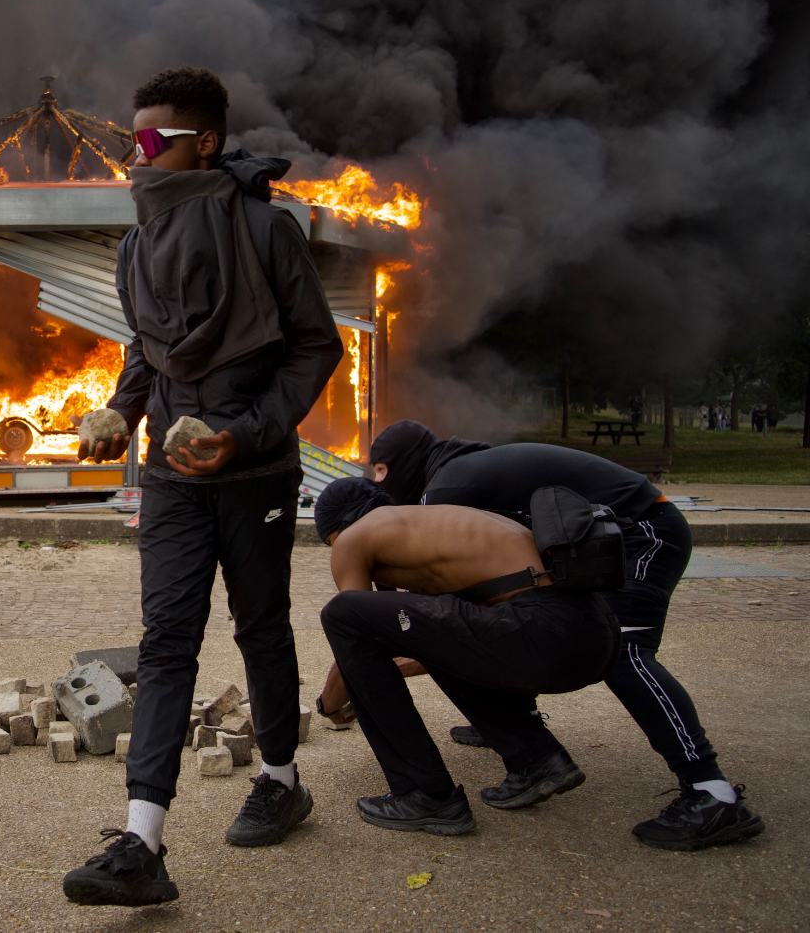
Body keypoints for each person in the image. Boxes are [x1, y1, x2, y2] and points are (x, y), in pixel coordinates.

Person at [62, 65, 344, 908]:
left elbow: (317, 347)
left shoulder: (267, 232)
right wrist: (119, 409)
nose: (135, 156)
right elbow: (146, 351)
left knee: (261, 627)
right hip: (171, 480)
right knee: (166, 642)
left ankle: (282, 780)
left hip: (254, 471)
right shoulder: (135, 245)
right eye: (130, 141)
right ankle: (141, 843)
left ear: (205, 144)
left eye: (151, 141)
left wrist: (245, 434)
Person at [363, 420, 766, 851]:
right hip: (596, 540)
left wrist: (393, 659)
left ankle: (711, 792)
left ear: (396, 469)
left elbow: (440, 609)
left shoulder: (444, 490)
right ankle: (512, 724)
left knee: (624, 652)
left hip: (641, 531)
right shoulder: (459, 473)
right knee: (501, 615)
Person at [314, 478, 618, 835]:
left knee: (341, 613)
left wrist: (329, 704)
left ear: (338, 527)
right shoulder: (432, 528)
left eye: (329, 543)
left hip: (541, 630)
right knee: (435, 632)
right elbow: (443, 640)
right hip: (592, 638)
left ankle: (425, 793)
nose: (335, 553)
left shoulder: (354, 537)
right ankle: (536, 759)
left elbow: (357, 629)